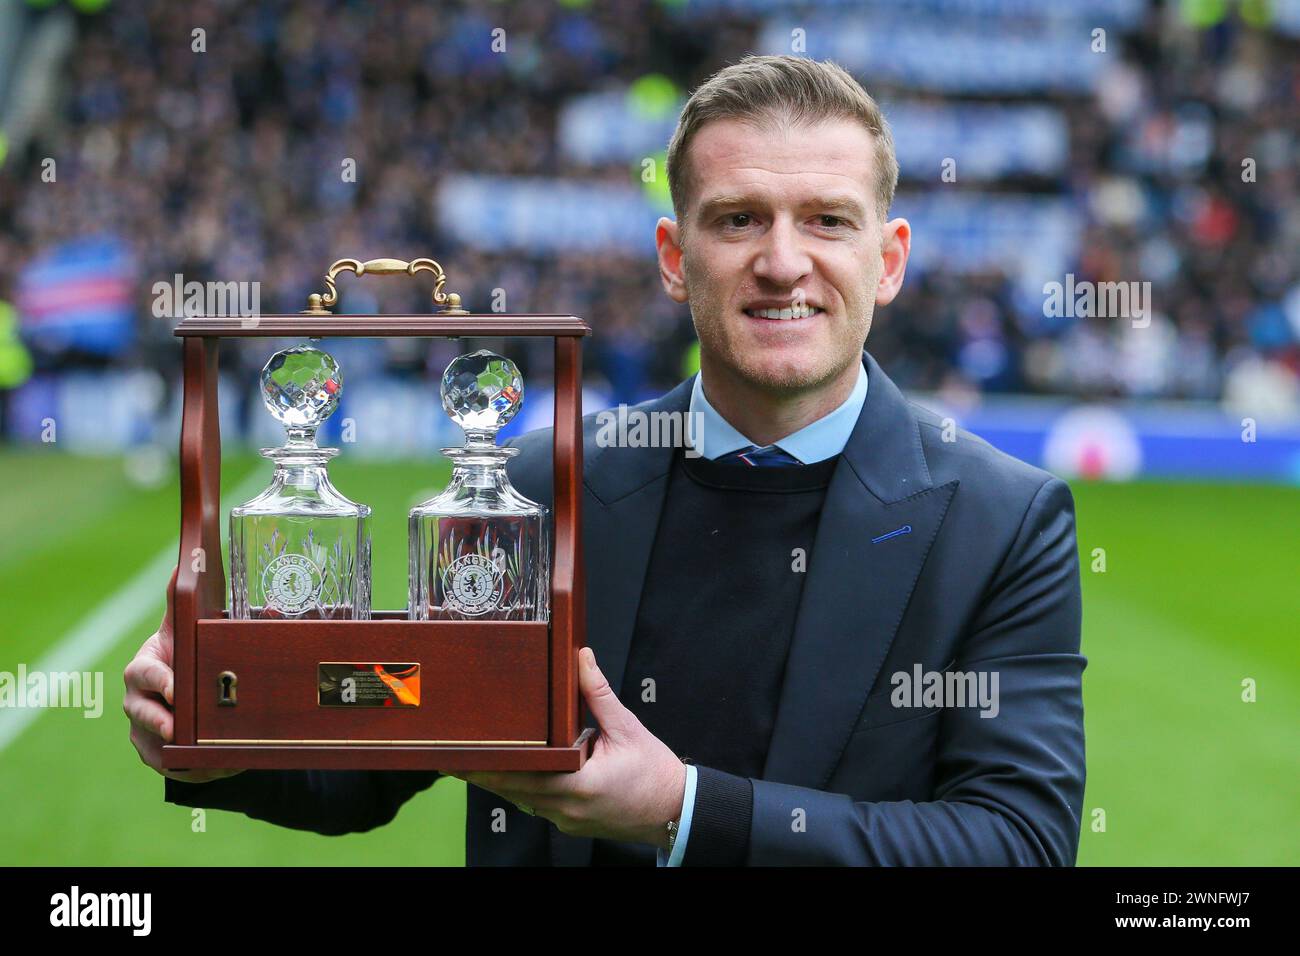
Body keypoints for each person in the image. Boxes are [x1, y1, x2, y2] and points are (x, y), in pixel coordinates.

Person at [124, 54, 1086, 866]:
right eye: (738, 218)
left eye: (828, 220)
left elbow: (1017, 843)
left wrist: (686, 812)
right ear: (675, 256)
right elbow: (379, 746)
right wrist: (220, 735)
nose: (784, 262)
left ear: (889, 259)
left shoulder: (1002, 521)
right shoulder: (545, 485)